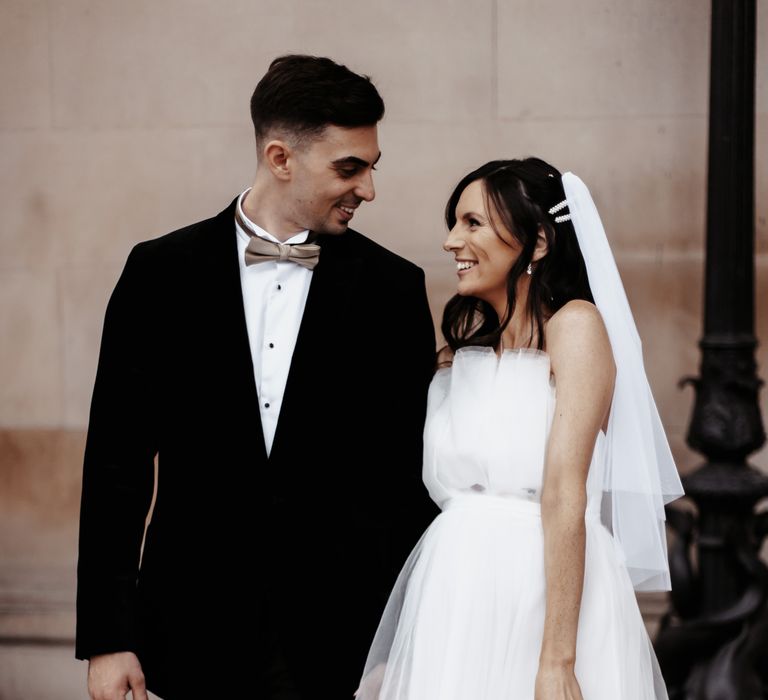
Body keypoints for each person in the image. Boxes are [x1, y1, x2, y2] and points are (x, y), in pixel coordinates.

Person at [76, 55, 438, 700]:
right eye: (348, 168)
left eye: (371, 167)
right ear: (280, 158)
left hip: (340, 642)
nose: (369, 189)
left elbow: (402, 483)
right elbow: (115, 468)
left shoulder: (393, 289)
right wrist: (109, 638)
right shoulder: (159, 273)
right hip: (188, 631)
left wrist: (397, 641)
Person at [356, 158, 685, 699]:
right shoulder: (460, 353)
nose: (450, 241)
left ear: (537, 243)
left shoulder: (575, 327)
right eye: (454, 222)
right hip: (453, 592)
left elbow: (564, 494)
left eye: (472, 223)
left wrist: (557, 659)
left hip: (534, 590)